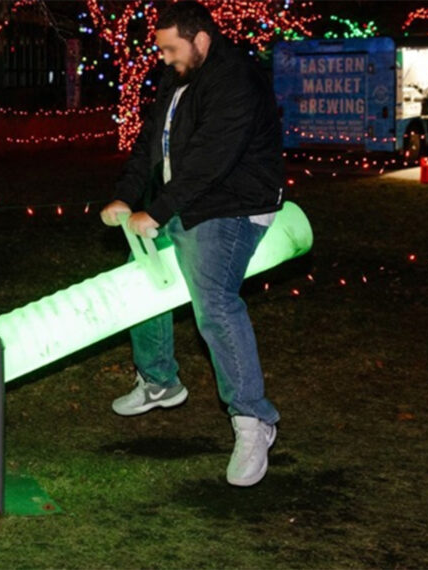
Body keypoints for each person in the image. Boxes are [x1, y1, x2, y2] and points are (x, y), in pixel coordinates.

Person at [100, 1, 283, 487]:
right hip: (189, 203)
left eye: (169, 47)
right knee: (143, 283)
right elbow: (149, 146)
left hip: (234, 205)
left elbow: (211, 160)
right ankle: (159, 380)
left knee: (215, 303)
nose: (162, 57)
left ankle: (253, 420)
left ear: (200, 40)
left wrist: (157, 211)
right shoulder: (179, 78)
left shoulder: (235, 79)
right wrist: (125, 195)